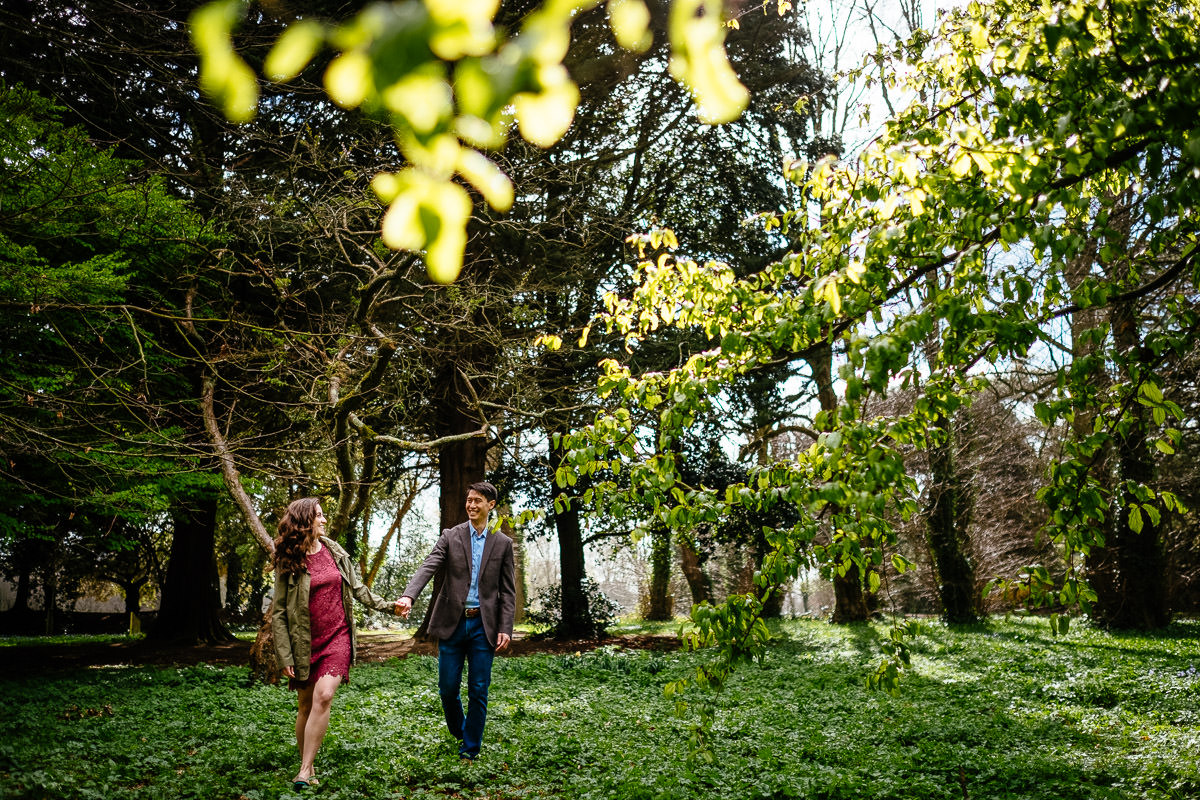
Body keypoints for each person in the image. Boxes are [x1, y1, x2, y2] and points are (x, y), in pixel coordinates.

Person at [270, 497, 402, 790]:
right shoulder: (289, 558)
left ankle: (303, 771)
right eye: (318, 515)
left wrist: (389, 605)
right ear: (304, 521)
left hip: (337, 636)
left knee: (325, 696)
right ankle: (310, 764)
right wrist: (284, 655)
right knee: (305, 706)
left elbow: (357, 589)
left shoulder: (334, 550)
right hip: (303, 643)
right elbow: (278, 613)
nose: (324, 520)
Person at [397, 481, 516, 761]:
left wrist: (505, 628)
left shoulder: (502, 544)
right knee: (448, 688)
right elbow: (429, 565)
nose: (472, 505)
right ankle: (461, 730)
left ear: (491, 505)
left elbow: (508, 591)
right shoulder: (451, 536)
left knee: (478, 689)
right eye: (469, 500)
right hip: (452, 622)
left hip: (483, 626)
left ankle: (470, 748)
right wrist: (409, 596)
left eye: (478, 501)